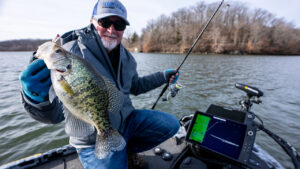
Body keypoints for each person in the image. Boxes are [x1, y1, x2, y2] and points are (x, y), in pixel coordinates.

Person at [19, 0, 180, 168]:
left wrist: (162, 76)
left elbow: (136, 86)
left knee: (171, 124)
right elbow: (54, 116)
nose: (112, 30)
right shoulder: (72, 50)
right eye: (105, 22)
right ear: (92, 22)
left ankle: (127, 149)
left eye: (119, 25)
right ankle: (116, 149)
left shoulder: (127, 57)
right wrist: (36, 99)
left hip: (125, 122)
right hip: (91, 138)